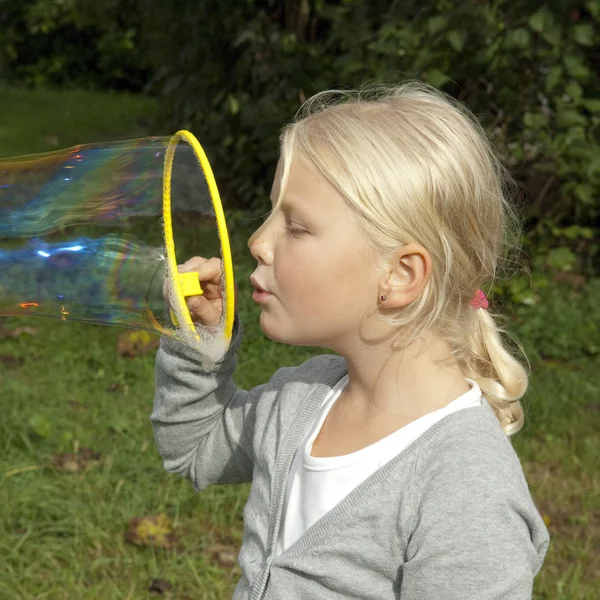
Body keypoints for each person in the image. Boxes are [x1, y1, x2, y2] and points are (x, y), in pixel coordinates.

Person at [152, 82, 550, 599]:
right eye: (273, 212)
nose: (256, 241)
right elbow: (195, 448)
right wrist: (201, 340)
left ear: (400, 276)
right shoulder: (301, 400)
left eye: (295, 226)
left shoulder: (466, 488)